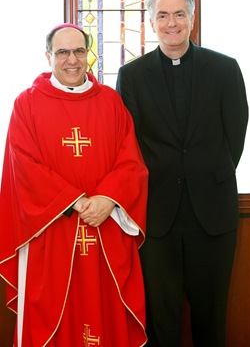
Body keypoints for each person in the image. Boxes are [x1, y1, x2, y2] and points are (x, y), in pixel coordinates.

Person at [116, 0, 249, 347]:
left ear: (192, 19)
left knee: (211, 314)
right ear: (150, 22)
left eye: (179, 14)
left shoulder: (224, 68)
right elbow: (128, 143)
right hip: (157, 214)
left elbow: (234, 134)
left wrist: (206, 174)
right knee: (162, 317)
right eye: (162, 15)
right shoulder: (132, 75)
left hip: (213, 211)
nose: (171, 22)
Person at [0, 23, 149, 347]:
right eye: (63, 52)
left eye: (79, 51)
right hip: (51, 233)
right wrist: (77, 202)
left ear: (88, 55)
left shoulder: (110, 102)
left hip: (105, 229)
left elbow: (131, 162)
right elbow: (22, 164)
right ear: (48, 56)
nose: (72, 60)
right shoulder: (27, 104)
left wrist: (108, 199)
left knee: (106, 314)